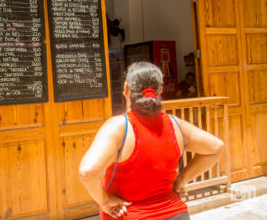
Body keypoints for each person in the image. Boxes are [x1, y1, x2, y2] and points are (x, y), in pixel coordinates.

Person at [79, 62, 224, 220]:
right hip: (176, 214)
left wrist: (105, 202)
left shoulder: (119, 127)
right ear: (160, 90)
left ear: (126, 88)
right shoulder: (176, 125)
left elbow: (88, 172)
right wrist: (181, 179)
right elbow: (216, 147)